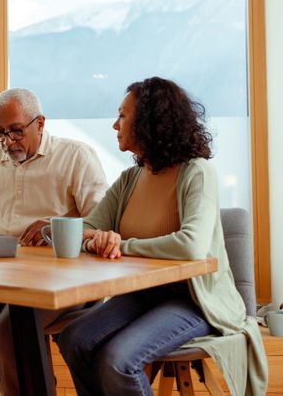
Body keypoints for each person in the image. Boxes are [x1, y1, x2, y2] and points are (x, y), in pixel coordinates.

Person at [57, 77, 267, 396]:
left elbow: (192, 246)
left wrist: (122, 246)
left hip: (196, 300)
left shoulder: (196, 171)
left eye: (123, 115)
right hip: (143, 294)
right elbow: (89, 226)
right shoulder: (130, 178)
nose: (115, 125)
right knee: (74, 339)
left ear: (149, 121)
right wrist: (95, 240)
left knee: (117, 360)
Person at [0, 87, 109, 396]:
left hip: (67, 279)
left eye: (16, 132)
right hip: (4, 274)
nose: (7, 142)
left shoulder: (76, 156)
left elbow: (103, 222)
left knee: (11, 330)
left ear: (40, 123)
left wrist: (58, 226)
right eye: (1, 133)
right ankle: (35, 383)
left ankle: (27, 382)